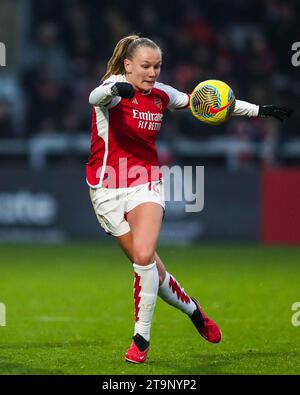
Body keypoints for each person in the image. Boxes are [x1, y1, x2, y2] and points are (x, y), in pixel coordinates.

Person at [87, 34, 291, 364]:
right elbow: (95, 96)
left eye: (157, 66)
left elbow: (206, 102)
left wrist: (258, 110)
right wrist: (114, 89)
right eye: (145, 66)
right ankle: (194, 311)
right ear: (128, 65)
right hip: (106, 187)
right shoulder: (114, 88)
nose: (153, 73)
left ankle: (141, 339)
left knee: (144, 257)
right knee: (154, 271)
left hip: (145, 182)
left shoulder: (161, 94)